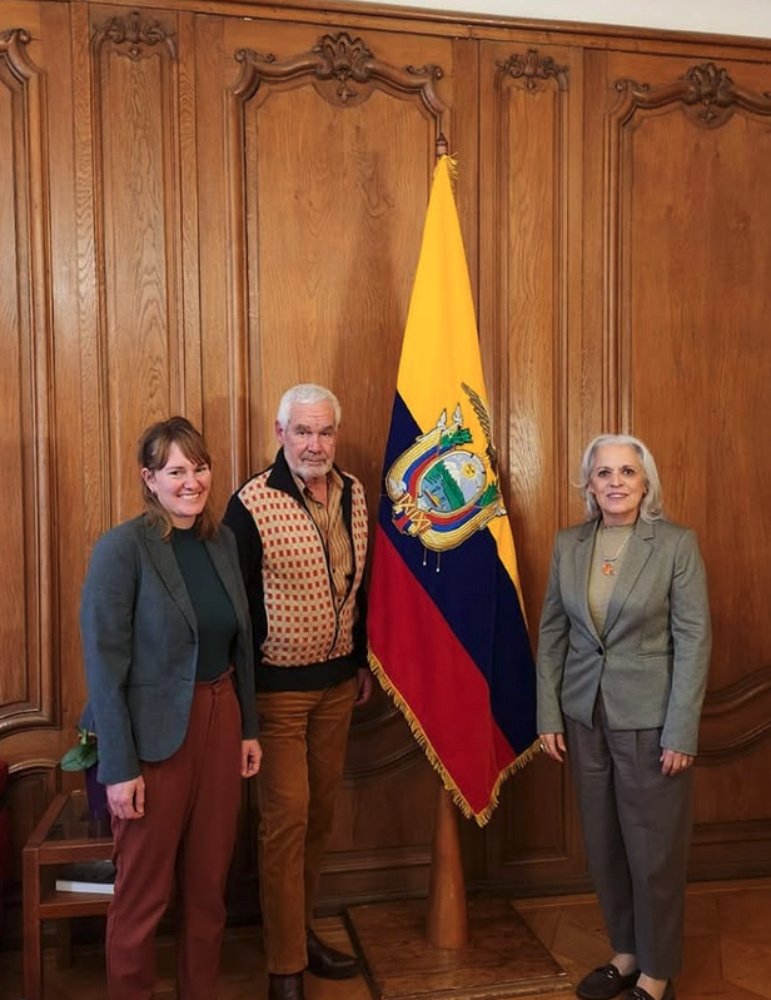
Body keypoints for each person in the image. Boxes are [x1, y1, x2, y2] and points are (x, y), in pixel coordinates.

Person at [79, 416, 262, 1000]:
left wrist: (247, 730)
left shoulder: (221, 541)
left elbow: (239, 641)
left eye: (200, 467)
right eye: (176, 471)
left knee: (209, 890)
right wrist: (120, 767)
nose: (192, 481)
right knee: (144, 895)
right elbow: (104, 666)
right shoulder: (121, 549)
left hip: (221, 718)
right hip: (151, 741)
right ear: (149, 479)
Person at [536, 434, 711, 1000]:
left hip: (652, 723)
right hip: (585, 716)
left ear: (645, 482)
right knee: (605, 842)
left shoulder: (676, 545)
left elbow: (694, 641)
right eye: (604, 472)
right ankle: (627, 952)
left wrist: (682, 729)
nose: (615, 482)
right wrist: (549, 716)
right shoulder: (569, 544)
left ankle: (658, 973)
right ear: (588, 484)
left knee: (652, 850)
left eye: (627, 472)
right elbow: (552, 636)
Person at [223, 383, 371, 1000]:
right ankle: (285, 969)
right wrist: (246, 699)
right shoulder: (250, 503)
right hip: (277, 695)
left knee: (318, 821)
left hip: (338, 687)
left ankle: (300, 931)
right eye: (302, 432)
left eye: (325, 432)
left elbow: (359, 588)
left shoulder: (356, 493)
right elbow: (236, 608)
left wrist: (359, 660)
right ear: (281, 433)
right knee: (285, 824)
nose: (315, 444)